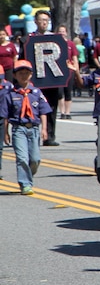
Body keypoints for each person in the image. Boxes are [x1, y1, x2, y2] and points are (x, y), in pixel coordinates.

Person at [3, 59, 51, 194]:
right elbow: (5, 115)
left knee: (35, 159)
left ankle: (28, 174)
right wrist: (5, 133)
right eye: (20, 73)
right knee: (22, 158)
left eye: (26, 73)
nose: (23, 76)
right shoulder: (11, 94)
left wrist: (44, 129)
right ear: (15, 75)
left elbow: (43, 111)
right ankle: (25, 184)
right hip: (19, 129)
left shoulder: (36, 93)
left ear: (31, 75)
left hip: (34, 129)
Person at [25, 10, 62, 146]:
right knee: (34, 109)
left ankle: (49, 137)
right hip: (35, 80)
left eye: (46, 20)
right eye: (41, 20)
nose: (44, 22)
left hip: (51, 80)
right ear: (36, 22)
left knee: (51, 108)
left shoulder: (55, 38)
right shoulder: (28, 39)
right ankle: (33, 135)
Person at [56, 25, 79, 120]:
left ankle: (67, 112)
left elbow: (74, 57)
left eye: (63, 31)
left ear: (66, 33)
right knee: (59, 93)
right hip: (58, 71)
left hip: (69, 70)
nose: (62, 33)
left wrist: (76, 69)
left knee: (68, 92)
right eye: (60, 31)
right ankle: (62, 112)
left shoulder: (70, 44)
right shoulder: (55, 44)